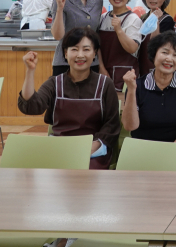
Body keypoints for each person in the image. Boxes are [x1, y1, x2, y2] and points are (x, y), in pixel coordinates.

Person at [18, 27, 120, 170]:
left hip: (92, 150)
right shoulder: (54, 82)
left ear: (95, 53)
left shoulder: (105, 84)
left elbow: (112, 124)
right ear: (65, 53)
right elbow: (31, 106)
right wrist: (30, 71)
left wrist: (93, 146)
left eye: (86, 49)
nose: (80, 55)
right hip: (58, 148)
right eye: (74, 49)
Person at [121, 31, 176, 143]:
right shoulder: (136, 85)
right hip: (142, 148)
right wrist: (131, 90)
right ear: (154, 55)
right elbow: (130, 126)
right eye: (165, 52)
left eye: (175, 55)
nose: (169, 59)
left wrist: (170, 150)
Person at [51, 0, 104, 76]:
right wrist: (59, 9)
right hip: (66, 62)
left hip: (91, 61)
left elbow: (96, 35)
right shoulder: (62, 0)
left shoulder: (98, 2)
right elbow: (57, 35)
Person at [98, 0, 142, 92]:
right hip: (103, 74)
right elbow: (96, 45)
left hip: (125, 76)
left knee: (123, 108)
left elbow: (132, 48)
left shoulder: (133, 19)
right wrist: (101, 68)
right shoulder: (103, 18)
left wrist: (119, 30)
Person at [138, 0, 175, 76]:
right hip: (140, 65)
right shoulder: (142, 18)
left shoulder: (167, 20)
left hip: (156, 66)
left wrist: (156, 21)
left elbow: (157, 45)